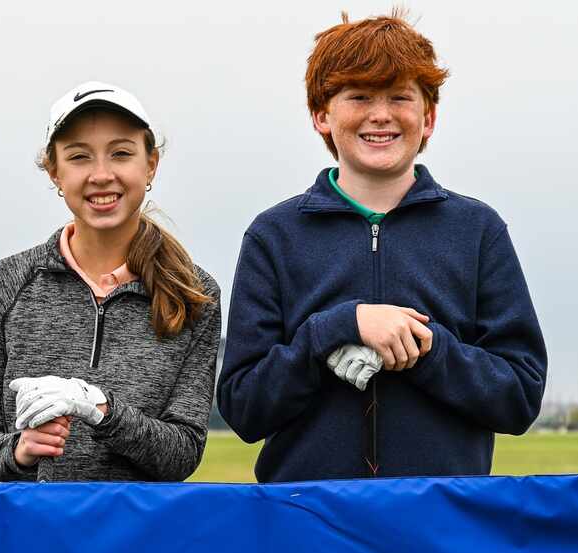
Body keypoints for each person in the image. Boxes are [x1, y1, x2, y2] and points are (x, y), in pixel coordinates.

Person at [217, 11, 547, 482]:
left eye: (400, 97)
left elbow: (519, 398)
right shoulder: (274, 236)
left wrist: (426, 350)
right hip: (309, 518)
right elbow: (244, 407)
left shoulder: (478, 231)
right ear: (321, 116)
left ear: (428, 117)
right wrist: (336, 328)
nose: (380, 114)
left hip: (442, 517)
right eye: (359, 97)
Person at [0, 82, 221, 482]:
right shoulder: (4, 282)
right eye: (79, 157)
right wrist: (19, 451)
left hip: (135, 536)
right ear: (55, 172)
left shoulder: (196, 293)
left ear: (151, 165)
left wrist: (99, 409)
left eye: (121, 153)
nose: (101, 174)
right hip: (31, 534)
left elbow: (182, 453)